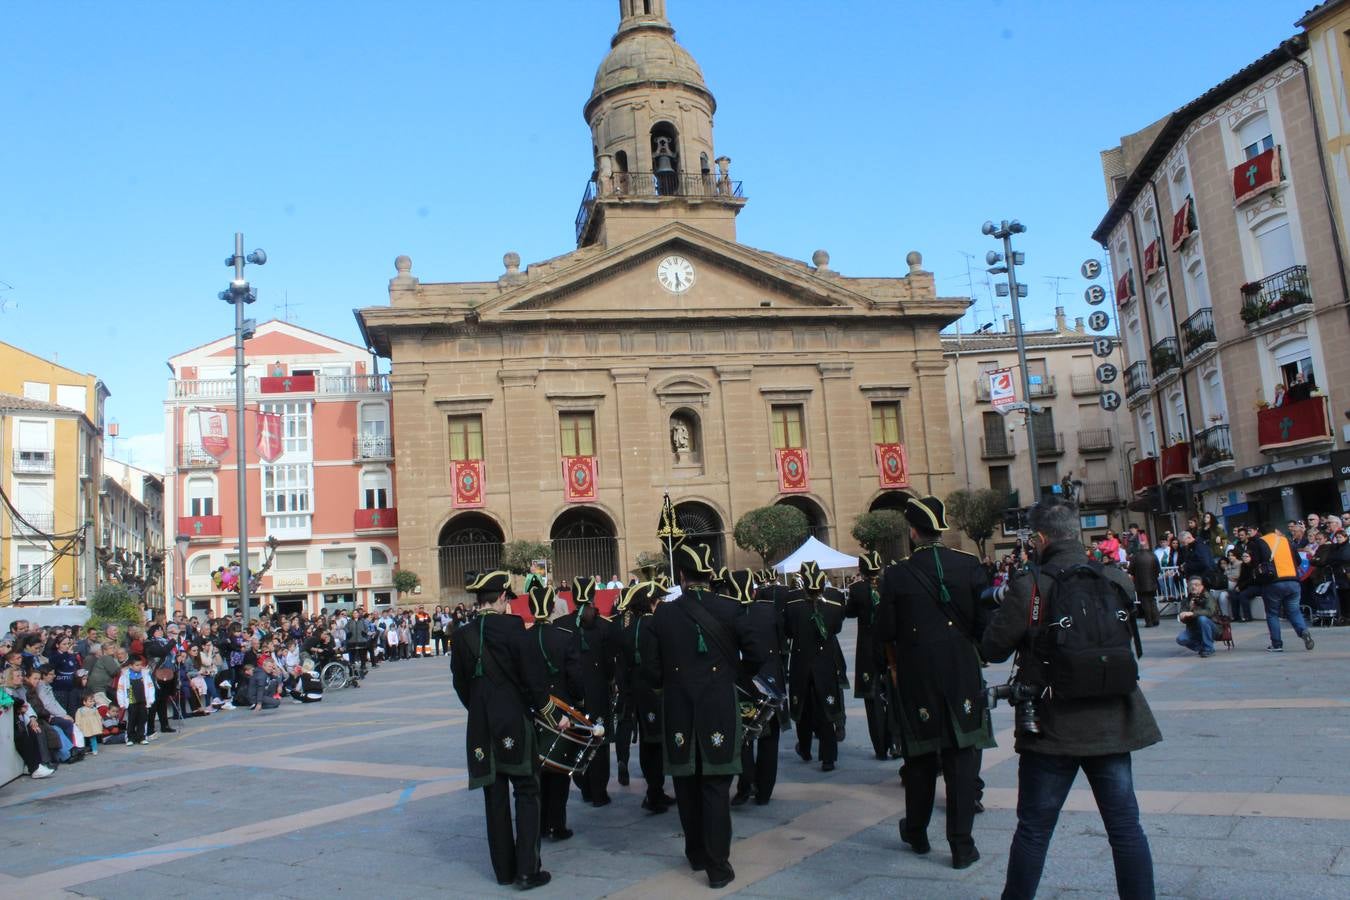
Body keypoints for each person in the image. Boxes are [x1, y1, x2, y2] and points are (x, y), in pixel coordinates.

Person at [981, 500, 1161, 900]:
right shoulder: (1116, 578)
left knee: (1033, 830)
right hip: (1113, 720)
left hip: (1052, 726)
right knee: (1126, 828)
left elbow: (993, 648)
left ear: (1041, 539)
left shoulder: (1031, 586)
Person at [876, 495, 992, 870]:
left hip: (917, 674)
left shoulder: (896, 574)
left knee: (921, 756)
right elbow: (984, 625)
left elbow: (886, 630)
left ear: (912, 531)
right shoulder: (970, 565)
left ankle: (917, 831)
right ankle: (961, 845)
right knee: (961, 757)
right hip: (961, 671)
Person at [641, 542, 764, 890]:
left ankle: (695, 852)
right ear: (711, 574)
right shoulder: (730, 608)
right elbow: (756, 654)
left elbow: (650, 668)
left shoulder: (662, 614)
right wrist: (732, 675)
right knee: (715, 784)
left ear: (681, 575)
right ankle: (718, 865)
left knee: (686, 782)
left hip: (679, 706)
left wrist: (670, 682)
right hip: (718, 705)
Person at [450, 570, 552, 891]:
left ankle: (504, 871)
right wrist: (544, 708)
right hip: (514, 721)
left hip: (480, 725)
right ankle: (527, 869)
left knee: (494, 797)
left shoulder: (462, 635)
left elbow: (460, 683)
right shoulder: (514, 628)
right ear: (504, 598)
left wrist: (479, 707)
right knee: (527, 790)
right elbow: (532, 676)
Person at [526, 580, 584, 840]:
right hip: (560, 711)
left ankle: (537, 824)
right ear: (551, 608)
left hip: (534, 712)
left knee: (537, 769)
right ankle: (557, 825)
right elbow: (575, 677)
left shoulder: (522, 639)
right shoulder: (564, 638)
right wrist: (579, 703)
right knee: (560, 770)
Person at [727, 568, 785, 806]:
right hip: (770, 681)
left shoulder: (727, 614)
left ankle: (745, 784)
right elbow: (782, 642)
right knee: (769, 740)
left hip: (742, 684)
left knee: (743, 737)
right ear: (754, 589)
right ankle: (765, 791)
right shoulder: (769, 610)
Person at [783, 560, 847, 771]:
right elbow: (836, 628)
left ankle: (805, 747)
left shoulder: (792, 602)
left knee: (802, 708)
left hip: (801, 661)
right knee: (826, 709)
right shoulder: (835, 602)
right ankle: (828, 757)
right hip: (825, 661)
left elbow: (788, 631)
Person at [616, 580, 674, 813]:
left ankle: (655, 790)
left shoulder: (628, 629)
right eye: (658, 599)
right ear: (651, 602)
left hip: (637, 693)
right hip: (657, 692)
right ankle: (654, 794)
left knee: (647, 744)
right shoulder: (657, 625)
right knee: (658, 744)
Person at [569, 576, 615, 807]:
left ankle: (584, 785)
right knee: (599, 741)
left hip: (575, 696)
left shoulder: (564, 624)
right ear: (593, 597)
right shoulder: (605, 626)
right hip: (598, 692)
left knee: (577, 740)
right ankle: (599, 791)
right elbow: (610, 664)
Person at [845, 550, 893, 759]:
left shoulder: (856, 590)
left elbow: (849, 612)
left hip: (867, 649)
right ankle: (897, 743)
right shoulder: (889, 585)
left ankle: (880, 747)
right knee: (894, 697)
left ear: (862, 570)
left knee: (873, 702)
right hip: (889, 646)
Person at [1253, 523, 1315, 653]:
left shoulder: (1260, 542)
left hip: (1273, 583)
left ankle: (1277, 644)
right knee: (1294, 611)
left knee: (1272, 614)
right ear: (1275, 530)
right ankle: (1303, 631)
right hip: (1293, 581)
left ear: (1261, 532)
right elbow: (1298, 560)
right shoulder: (1286, 540)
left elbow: (1256, 564)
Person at [1176, 576, 1221, 657]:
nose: (1193, 587)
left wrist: (1192, 613)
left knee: (1202, 619)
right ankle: (1202, 648)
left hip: (1212, 627)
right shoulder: (1186, 600)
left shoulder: (1208, 597)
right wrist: (1184, 615)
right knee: (1181, 639)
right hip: (1194, 629)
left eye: (1196, 585)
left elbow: (1210, 612)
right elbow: (1184, 617)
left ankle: (1208, 648)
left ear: (1202, 586)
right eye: (1191, 585)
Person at [116, 655, 155, 745]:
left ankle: (141, 737)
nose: (139, 667)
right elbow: (120, 690)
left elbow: (150, 687)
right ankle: (130, 738)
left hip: (143, 701)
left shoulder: (145, 674)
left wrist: (151, 699)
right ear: (130, 666)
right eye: (137, 665)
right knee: (131, 720)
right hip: (131, 701)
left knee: (143, 719)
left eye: (140, 665)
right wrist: (121, 702)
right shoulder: (125, 676)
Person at [1129, 541, 1161, 627]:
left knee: (1145, 602)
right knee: (1152, 601)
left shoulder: (1136, 557)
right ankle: (1156, 619)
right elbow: (1158, 569)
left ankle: (1149, 621)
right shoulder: (1153, 556)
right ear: (1147, 546)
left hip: (1140, 583)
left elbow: (1131, 570)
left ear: (1140, 547)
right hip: (1153, 582)